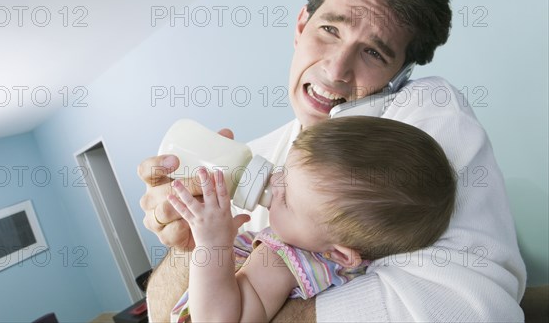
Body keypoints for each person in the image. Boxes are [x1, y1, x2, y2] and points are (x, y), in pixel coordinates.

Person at [138, 0, 526, 322]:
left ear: (402, 76)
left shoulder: (417, 127)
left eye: (374, 52)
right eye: (330, 29)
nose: (337, 69)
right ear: (301, 25)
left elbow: (478, 310)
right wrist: (188, 243)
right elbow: (162, 312)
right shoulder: (264, 153)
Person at [167, 116, 457, 322]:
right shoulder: (324, 243)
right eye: (284, 170)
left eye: (287, 199)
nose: (275, 182)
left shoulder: (284, 261)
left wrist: (212, 244)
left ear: (341, 254)